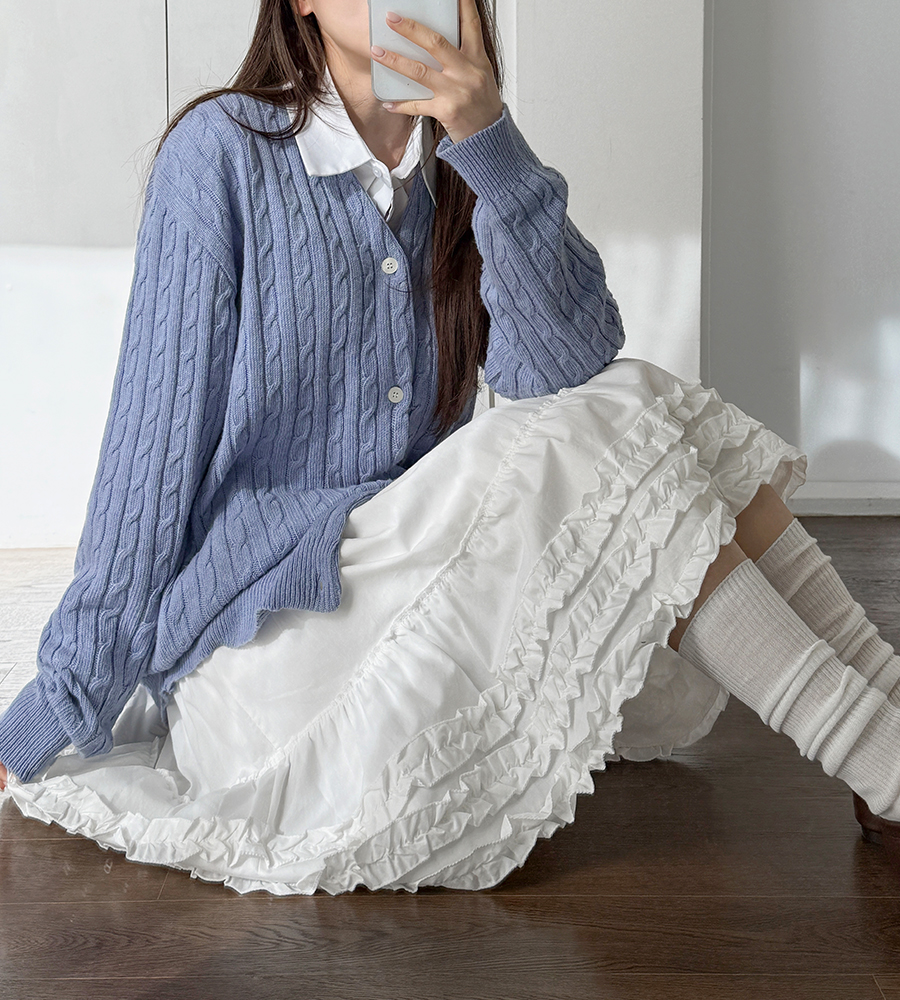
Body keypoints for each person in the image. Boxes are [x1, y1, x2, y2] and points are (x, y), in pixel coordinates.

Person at [1, 0, 899, 894]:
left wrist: (488, 141)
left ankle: (888, 731)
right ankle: (885, 760)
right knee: (623, 412)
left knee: (640, 398)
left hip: (400, 599)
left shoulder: (459, 161)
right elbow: (148, 467)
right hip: (263, 656)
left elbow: (567, 369)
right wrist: (52, 708)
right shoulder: (222, 155)